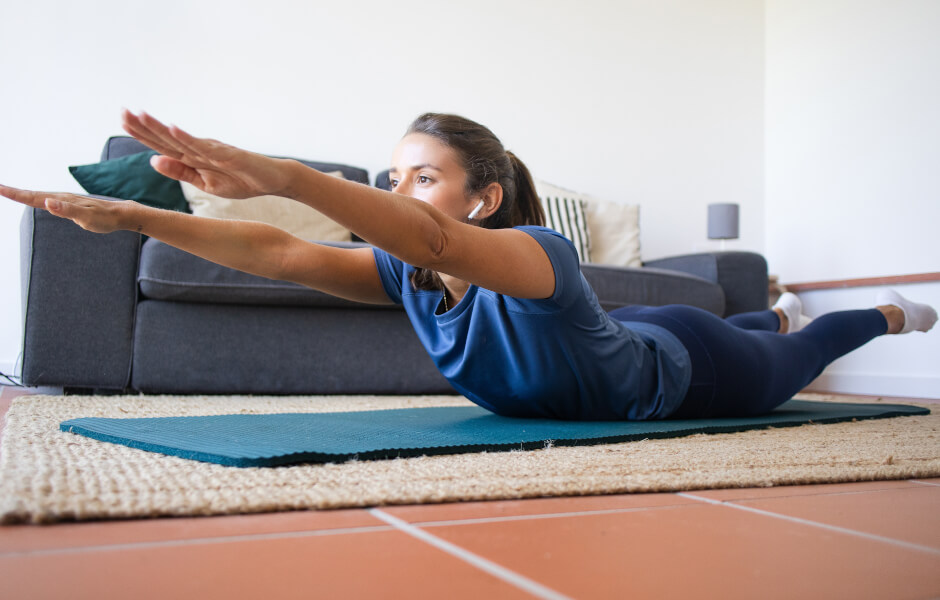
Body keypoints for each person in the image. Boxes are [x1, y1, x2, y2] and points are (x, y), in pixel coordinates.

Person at [1, 111, 935, 421]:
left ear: (480, 198)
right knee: (756, 323)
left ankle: (888, 316)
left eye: (424, 177)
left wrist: (283, 173)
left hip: (689, 372)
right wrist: (126, 215)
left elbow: (437, 243)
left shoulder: (535, 254)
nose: (401, 191)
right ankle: (764, 315)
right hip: (641, 339)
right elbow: (282, 251)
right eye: (392, 175)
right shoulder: (401, 275)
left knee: (802, 355)